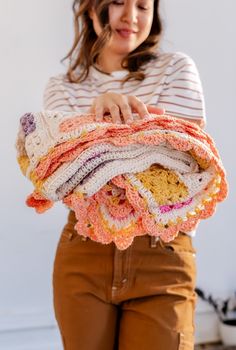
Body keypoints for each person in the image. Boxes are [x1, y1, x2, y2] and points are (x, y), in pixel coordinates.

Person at [43, 0, 206, 349]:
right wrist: (126, 125)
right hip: (84, 253)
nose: (131, 16)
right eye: (117, 2)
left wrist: (91, 136)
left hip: (161, 253)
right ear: (90, 8)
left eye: (143, 6)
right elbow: (61, 177)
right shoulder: (61, 87)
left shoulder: (175, 69)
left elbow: (180, 172)